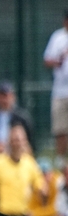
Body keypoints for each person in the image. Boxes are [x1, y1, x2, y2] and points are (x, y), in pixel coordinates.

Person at [0, 82, 34, 150]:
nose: (5, 100)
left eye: (7, 96)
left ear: (13, 97)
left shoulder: (22, 118)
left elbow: (30, 141)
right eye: (2, 96)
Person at [44, 10, 68, 160]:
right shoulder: (57, 37)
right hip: (60, 92)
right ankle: (60, 162)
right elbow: (47, 60)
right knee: (60, 130)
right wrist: (59, 59)